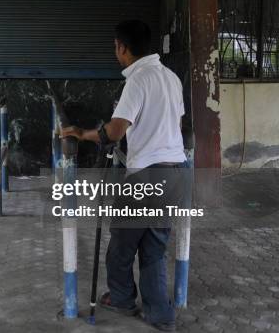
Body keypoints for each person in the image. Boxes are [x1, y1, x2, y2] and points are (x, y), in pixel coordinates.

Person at [61, 20, 187, 332]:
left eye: (115, 46)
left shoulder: (138, 80)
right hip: (176, 172)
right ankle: (161, 315)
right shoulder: (171, 78)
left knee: (121, 244)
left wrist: (80, 132)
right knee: (154, 248)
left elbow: (115, 131)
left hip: (146, 176)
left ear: (123, 48)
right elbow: (176, 123)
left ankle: (121, 298)